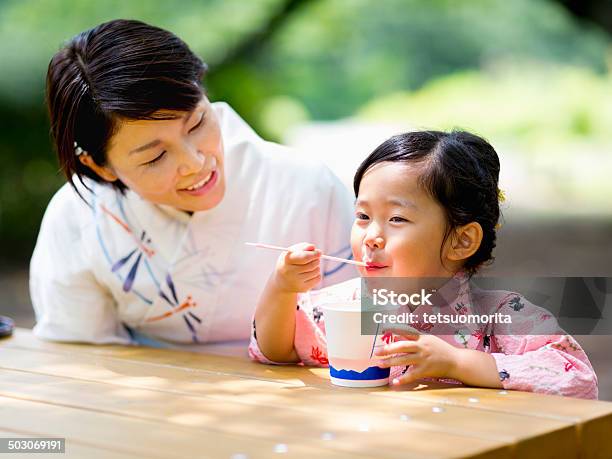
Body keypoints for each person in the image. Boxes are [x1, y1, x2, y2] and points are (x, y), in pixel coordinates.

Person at [30, 19, 355, 345]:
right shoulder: (78, 217)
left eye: (197, 123)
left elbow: (373, 325)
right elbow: (77, 351)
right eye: (155, 157)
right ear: (100, 166)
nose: (195, 163)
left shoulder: (308, 186)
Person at [249, 131, 598, 399]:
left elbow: (576, 379)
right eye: (363, 216)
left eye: (397, 218)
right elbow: (275, 350)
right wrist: (281, 288)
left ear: (462, 240)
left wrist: (457, 362)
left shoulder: (501, 316)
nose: (371, 236)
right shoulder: (346, 309)